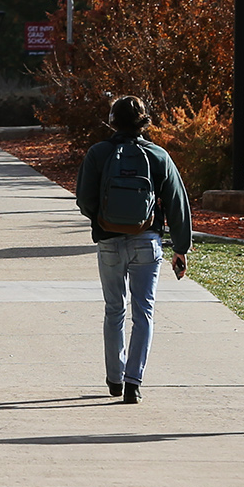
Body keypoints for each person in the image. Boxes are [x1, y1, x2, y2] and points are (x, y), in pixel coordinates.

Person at [74, 95, 191, 404]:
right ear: (144, 122)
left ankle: (114, 377)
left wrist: (103, 218)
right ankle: (133, 382)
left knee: (114, 309)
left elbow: (84, 199)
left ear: (112, 121)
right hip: (147, 242)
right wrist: (181, 247)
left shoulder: (98, 153)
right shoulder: (157, 155)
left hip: (109, 241)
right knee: (144, 311)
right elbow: (178, 203)